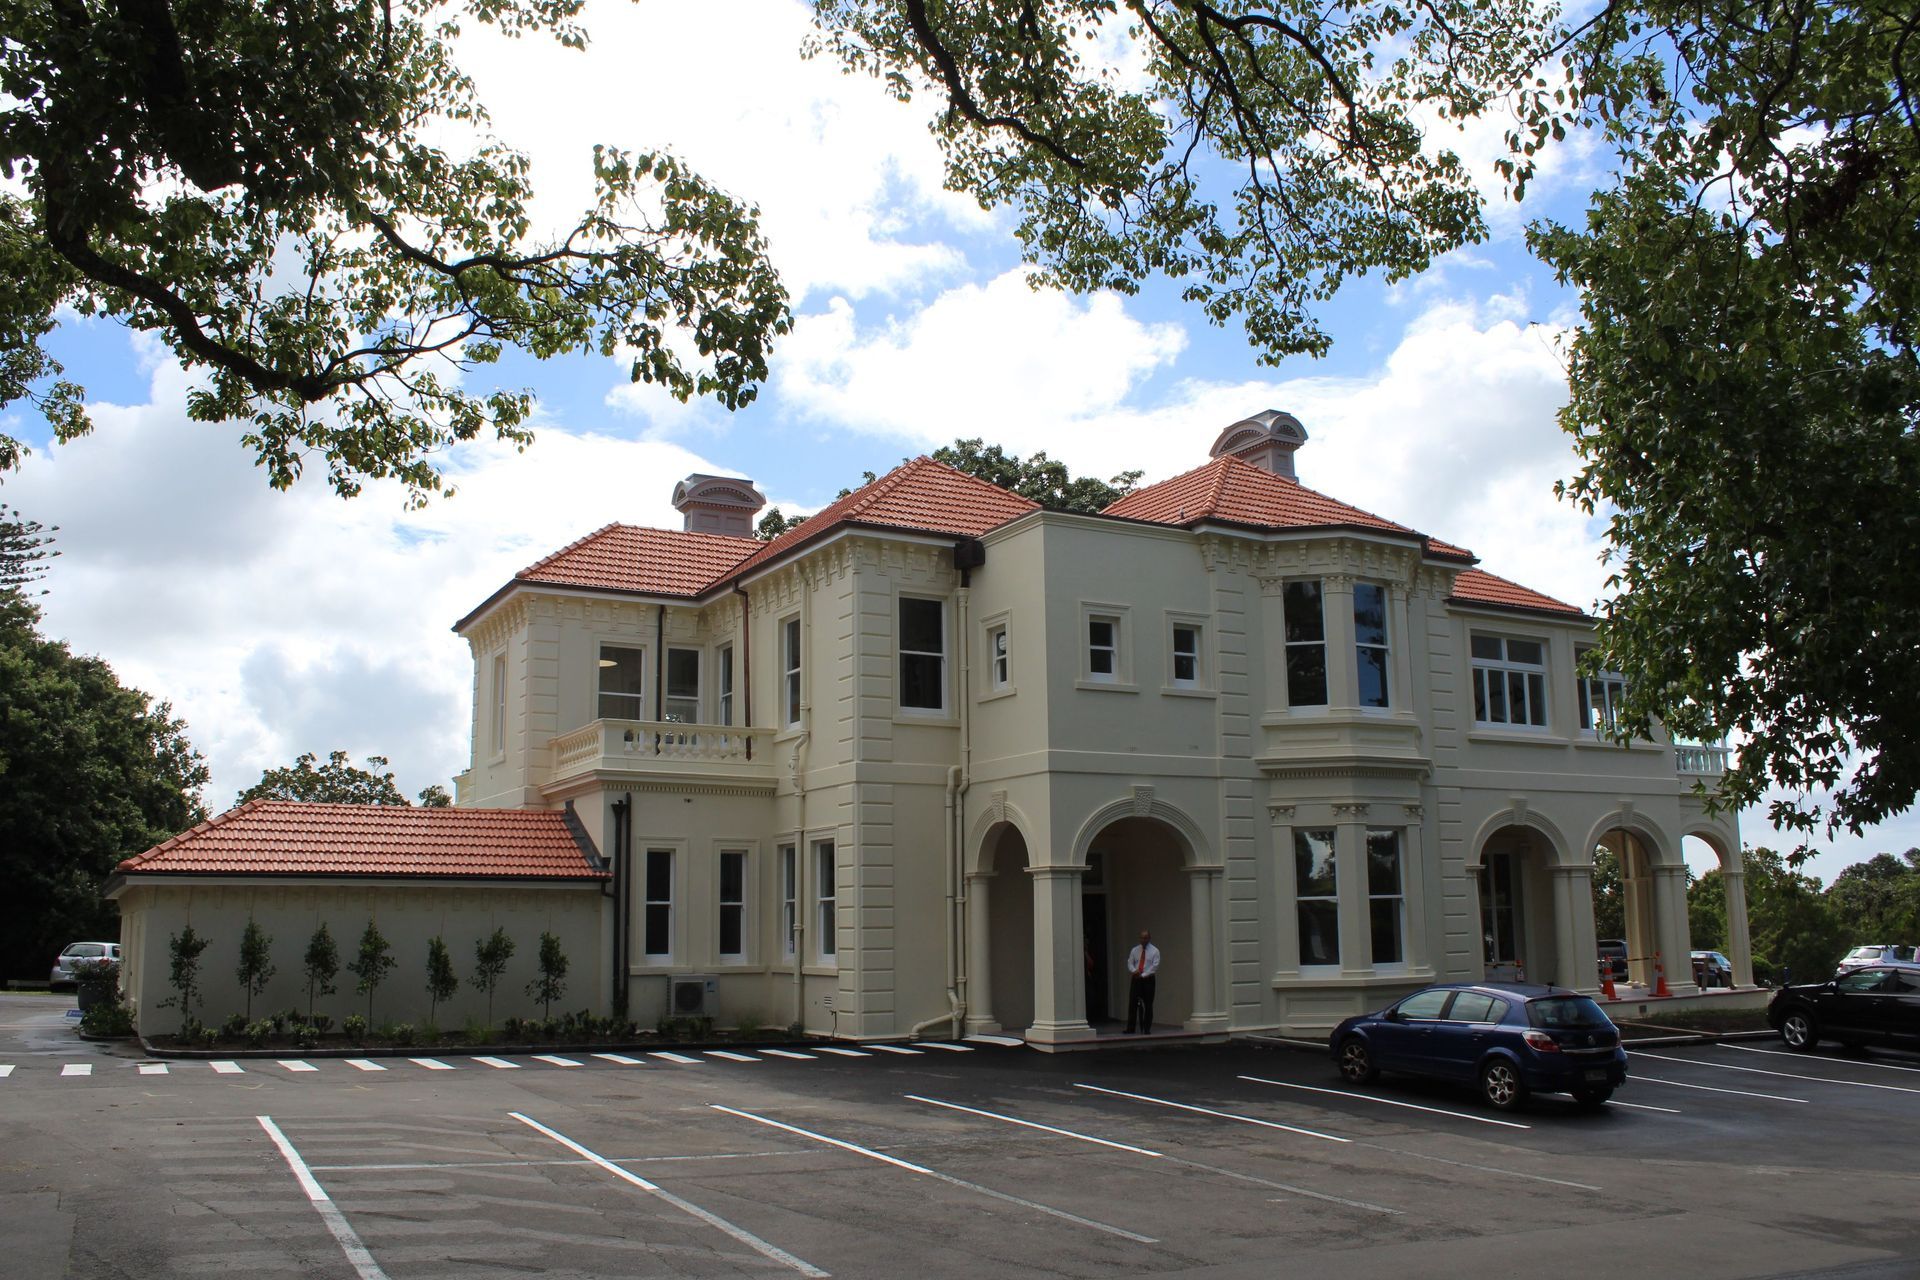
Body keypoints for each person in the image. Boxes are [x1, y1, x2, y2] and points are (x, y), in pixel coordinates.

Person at [1123, 929, 1160, 1034]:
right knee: (1133, 1003)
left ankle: (1146, 1028)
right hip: (1136, 978)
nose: (1143, 940)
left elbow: (1154, 966)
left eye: (1145, 938)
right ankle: (1130, 1028)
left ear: (1149, 938)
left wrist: (1143, 975)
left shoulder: (1155, 951)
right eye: (1141, 938)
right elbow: (1130, 962)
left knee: (1148, 1004)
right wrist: (1134, 971)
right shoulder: (1135, 950)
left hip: (1148, 979)